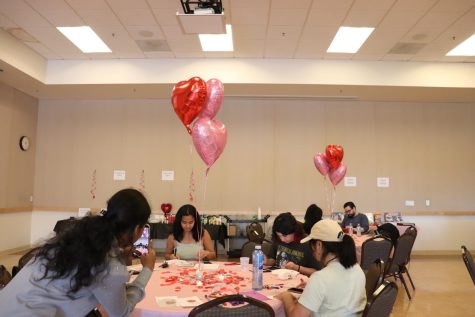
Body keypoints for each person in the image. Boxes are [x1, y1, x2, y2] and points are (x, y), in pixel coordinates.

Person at [0, 188, 156, 317]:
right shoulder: (110, 266)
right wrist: (147, 270)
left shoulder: (76, 237)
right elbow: (120, 312)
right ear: (137, 229)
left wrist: (120, 261)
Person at [276, 219, 366, 317]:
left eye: (311, 245)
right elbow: (340, 291)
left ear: (319, 245)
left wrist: (286, 297)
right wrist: (312, 288)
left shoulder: (320, 278)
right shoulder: (357, 269)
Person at [265, 212, 321, 276]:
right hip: (278, 279)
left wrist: (297, 268)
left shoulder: (307, 243)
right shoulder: (278, 239)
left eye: (285, 236)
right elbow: (273, 260)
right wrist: (266, 261)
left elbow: (316, 272)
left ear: (294, 231)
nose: (282, 239)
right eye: (279, 235)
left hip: (299, 282)